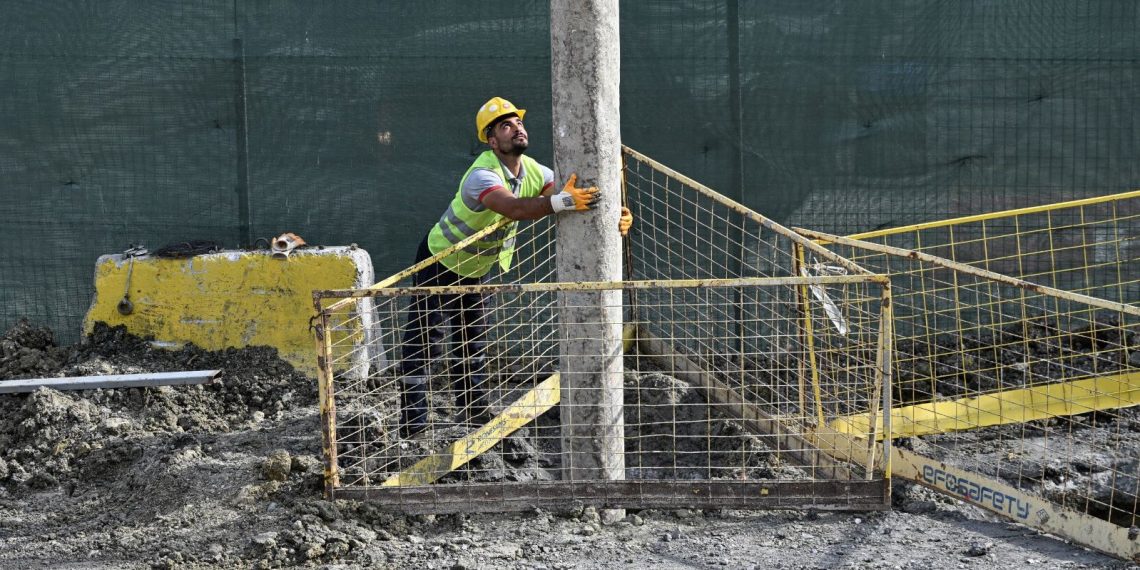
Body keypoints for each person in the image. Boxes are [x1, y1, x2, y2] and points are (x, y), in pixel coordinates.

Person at [398, 96, 633, 437]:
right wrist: (561, 201)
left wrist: (616, 214)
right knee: (425, 341)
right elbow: (516, 208)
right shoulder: (482, 174)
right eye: (506, 125)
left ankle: (473, 413)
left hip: (478, 267)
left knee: (473, 342)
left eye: (518, 122)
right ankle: (414, 425)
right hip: (440, 261)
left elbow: (567, 193)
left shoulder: (535, 170)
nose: (517, 128)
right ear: (492, 141)